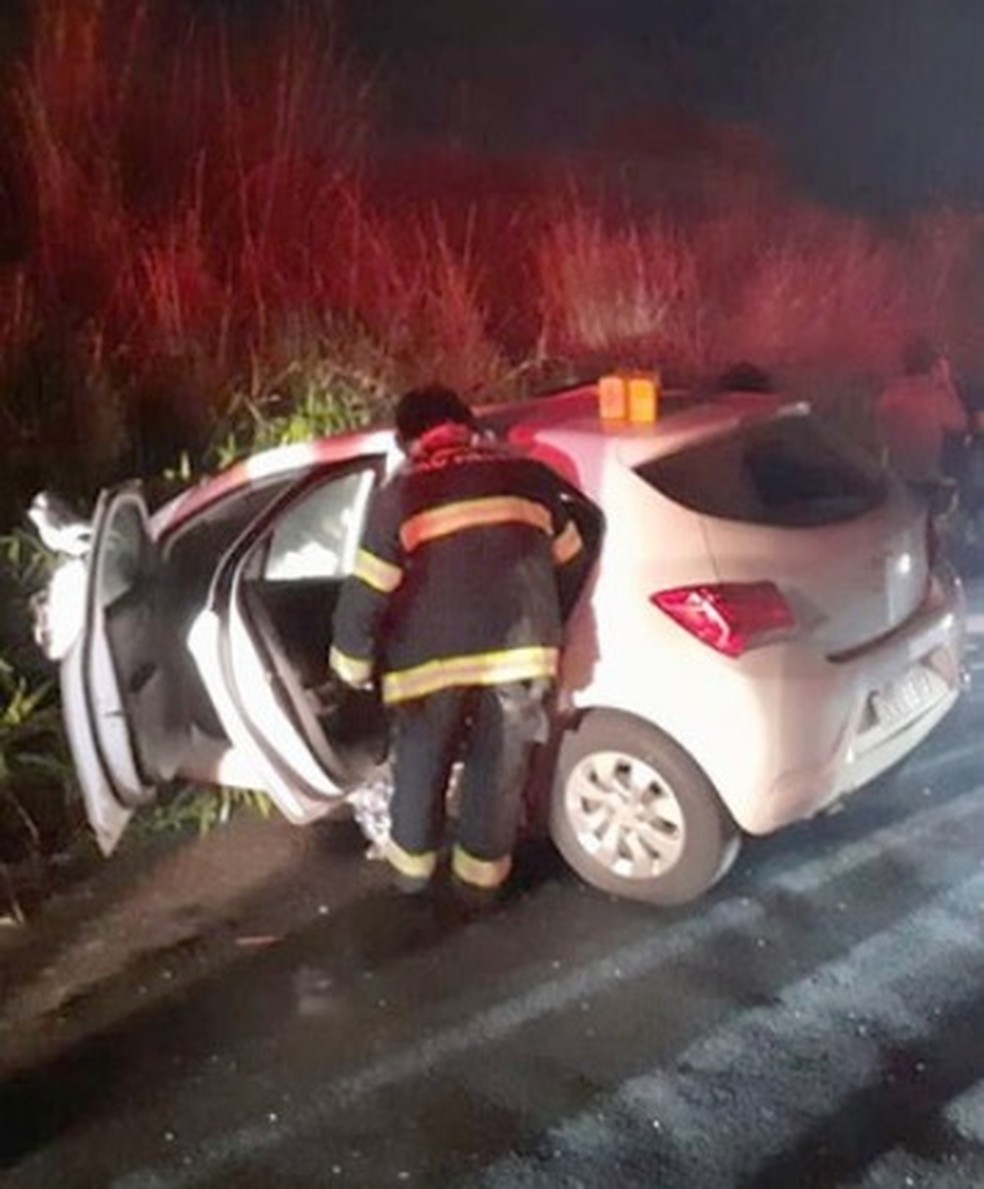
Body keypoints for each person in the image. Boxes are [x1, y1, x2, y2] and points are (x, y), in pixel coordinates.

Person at [328, 384, 593, 899]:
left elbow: (367, 593)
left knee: (422, 764)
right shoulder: (530, 477)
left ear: (409, 441)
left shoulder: (400, 497)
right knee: (498, 769)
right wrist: (547, 621)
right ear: (468, 426)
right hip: (522, 653)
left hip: (430, 665)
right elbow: (572, 561)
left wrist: (351, 664)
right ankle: (479, 887)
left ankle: (412, 876)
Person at [874, 336, 969, 487]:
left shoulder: (887, 396)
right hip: (927, 483)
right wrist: (946, 381)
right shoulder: (935, 397)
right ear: (933, 367)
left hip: (895, 482)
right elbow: (960, 422)